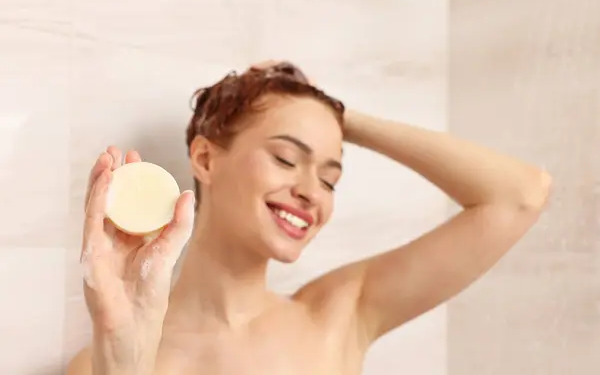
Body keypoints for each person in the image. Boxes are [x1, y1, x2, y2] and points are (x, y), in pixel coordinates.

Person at [67, 61, 551, 375]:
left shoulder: (340, 314)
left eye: (330, 178)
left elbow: (520, 196)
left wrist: (337, 115)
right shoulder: (104, 359)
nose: (310, 192)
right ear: (206, 159)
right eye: (285, 158)